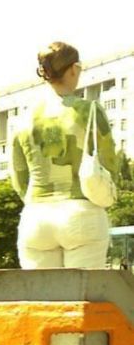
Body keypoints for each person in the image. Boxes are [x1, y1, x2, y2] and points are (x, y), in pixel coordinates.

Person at [12, 42, 121, 269]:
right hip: (81, 214)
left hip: (36, 217)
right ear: (73, 69)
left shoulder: (23, 119)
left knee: (40, 292)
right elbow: (110, 165)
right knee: (83, 290)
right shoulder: (90, 110)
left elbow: (18, 178)